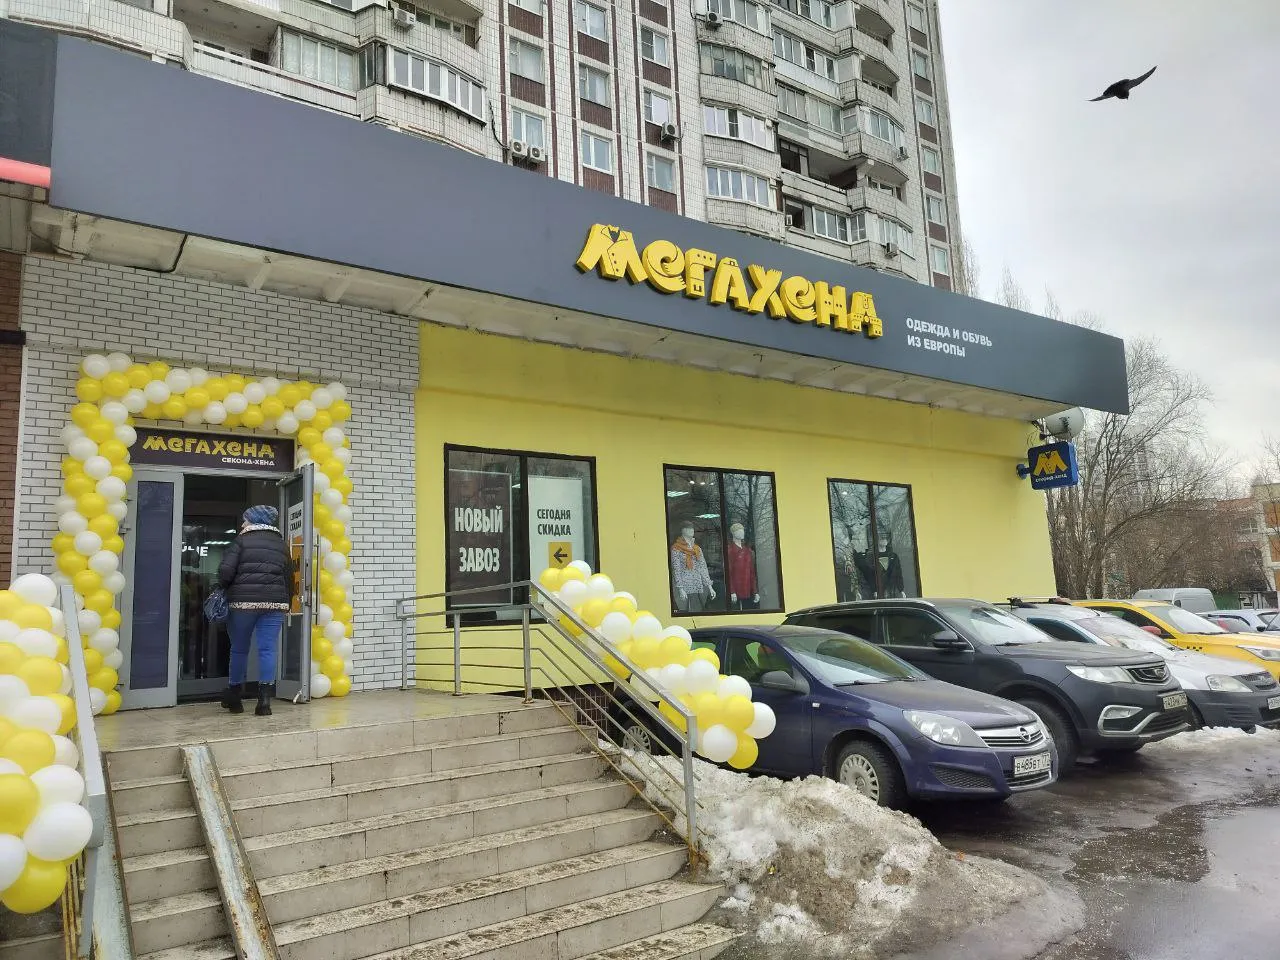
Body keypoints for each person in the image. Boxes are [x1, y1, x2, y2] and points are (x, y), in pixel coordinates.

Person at [218, 505, 293, 716]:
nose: (243, 524)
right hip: (274, 604)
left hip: (243, 603)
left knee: (239, 649)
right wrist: (287, 601)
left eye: (246, 519)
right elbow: (289, 576)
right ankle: (264, 702)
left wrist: (224, 587)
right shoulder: (281, 545)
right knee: (268, 649)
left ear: (254, 521)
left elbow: (225, 572)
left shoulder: (241, 541)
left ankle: (235, 697)